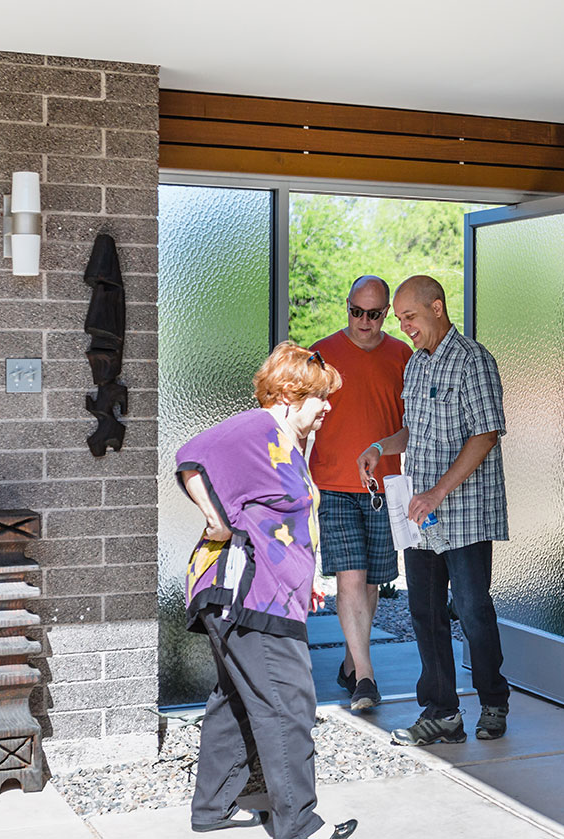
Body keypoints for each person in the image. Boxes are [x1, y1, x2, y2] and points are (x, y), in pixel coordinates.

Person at [176, 342, 357, 839]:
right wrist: (215, 519)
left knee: (236, 700)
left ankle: (211, 810)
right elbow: (193, 457)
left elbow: (284, 521)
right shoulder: (260, 427)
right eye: (319, 397)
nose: (326, 407)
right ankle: (299, 825)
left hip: (258, 594)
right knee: (289, 703)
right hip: (249, 595)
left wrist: (310, 580)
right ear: (288, 393)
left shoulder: (286, 445)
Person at [357, 274, 511, 746]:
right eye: (398, 318)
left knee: (472, 610)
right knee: (424, 612)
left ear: (437, 308)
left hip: (462, 515)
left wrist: (438, 493)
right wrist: (381, 446)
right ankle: (442, 712)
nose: (402, 326)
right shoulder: (416, 366)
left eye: (409, 317)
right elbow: (413, 431)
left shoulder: (473, 361)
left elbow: (485, 435)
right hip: (418, 516)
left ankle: (493, 702)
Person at [309, 275, 413, 711]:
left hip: (385, 486)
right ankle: (366, 678)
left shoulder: (403, 356)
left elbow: (413, 428)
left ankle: (353, 662)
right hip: (334, 484)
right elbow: (299, 415)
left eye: (374, 314)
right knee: (350, 577)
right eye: (356, 312)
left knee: (372, 582)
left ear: (385, 312)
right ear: (346, 305)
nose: (364, 322)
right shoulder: (322, 354)